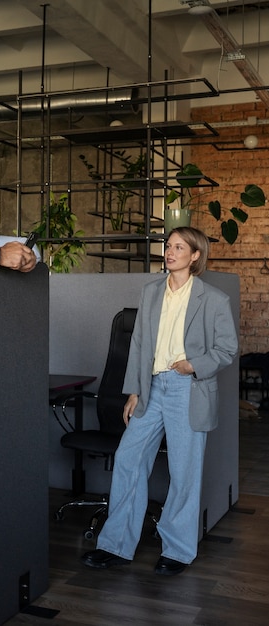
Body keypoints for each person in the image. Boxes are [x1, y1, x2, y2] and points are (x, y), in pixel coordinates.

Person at [81, 227, 238, 576]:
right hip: (152, 388)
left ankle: (178, 550)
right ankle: (116, 545)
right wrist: (135, 391)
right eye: (168, 246)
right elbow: (138, 345)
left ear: (195, 255)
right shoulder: (151, 291)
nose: (170, 252)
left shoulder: (212, 299)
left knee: (184, 473)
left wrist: (193, 365)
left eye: (179, 247)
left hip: (188, 388)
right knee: (128, 460)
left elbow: (227, 348)